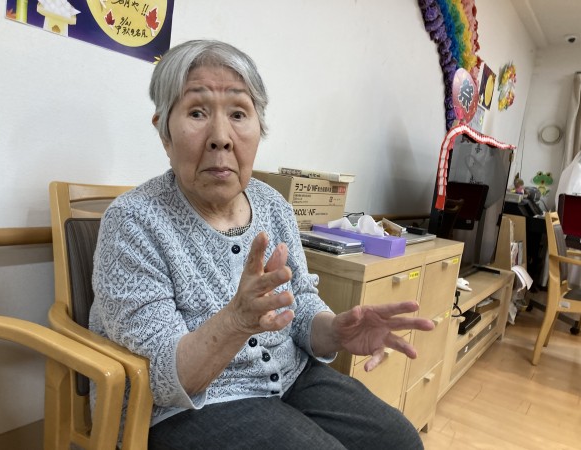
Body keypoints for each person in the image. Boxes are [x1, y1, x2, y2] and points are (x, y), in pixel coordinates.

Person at [89, 39, 434, 449]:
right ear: (164, 132)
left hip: (290, 378)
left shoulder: (272, 204)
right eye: (197, 112)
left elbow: (299, 302)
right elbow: (163, 379)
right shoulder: (134, 221)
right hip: (188, 405)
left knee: (399, 441)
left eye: (238, 113)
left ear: (258, 128)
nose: (221, 137)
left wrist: (335, 330)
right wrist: (237, 321)